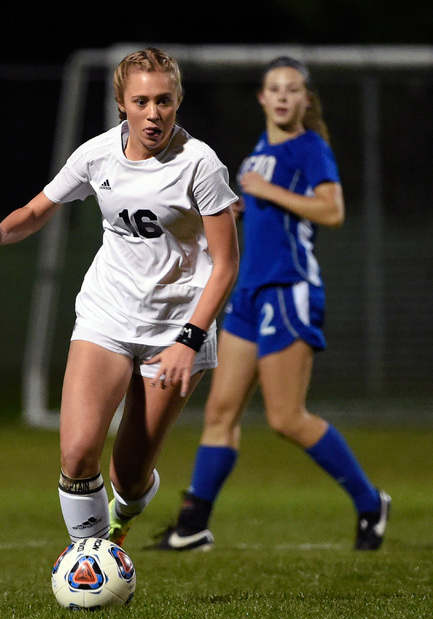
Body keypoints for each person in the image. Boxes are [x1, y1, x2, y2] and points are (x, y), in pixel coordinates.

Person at [0, 47, 239, 548]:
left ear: (178, 101)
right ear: (122, 104)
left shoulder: (201, 164)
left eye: (164, 101)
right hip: (107, 314)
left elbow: (226, 265)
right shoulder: (96, 154)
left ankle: (122, 516)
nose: (153, 114)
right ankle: (90, 559)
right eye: (141, 101)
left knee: (128, 479)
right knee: (76, 453)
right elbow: (37, 209)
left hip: (178, 327)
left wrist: (188, 339)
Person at [154, 55, 390, 553]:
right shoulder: (259, 151)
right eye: (274, 88)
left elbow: (333, 210)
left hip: (289, 289)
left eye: (293, 89)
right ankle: (194, 523)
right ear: (262, 98)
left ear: (306, 99)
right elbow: (264, 205)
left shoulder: (311, 147)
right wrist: (246, 204)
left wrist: (270, 192)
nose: (283, 96)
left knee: (286, 417)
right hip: (249, 291)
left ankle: (371, 503)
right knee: (220, 410)